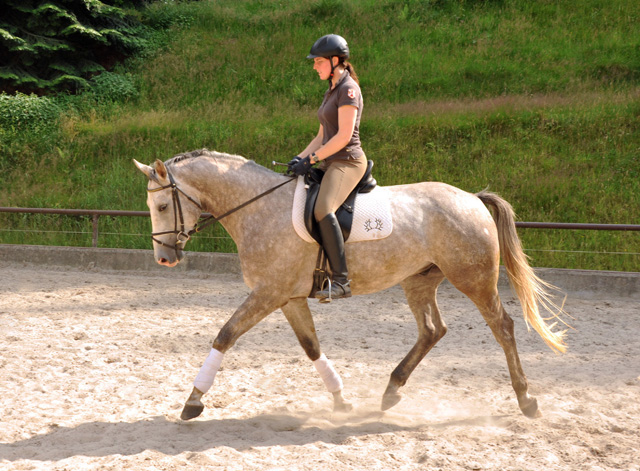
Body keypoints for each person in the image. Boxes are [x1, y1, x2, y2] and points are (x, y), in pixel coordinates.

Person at [287, 34, 368, 302]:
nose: (314, 67)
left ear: (335, 61)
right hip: (331, 159)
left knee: (323, 209)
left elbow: (343, 136)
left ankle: (342, 280)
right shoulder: (332, 88)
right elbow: (322, 136)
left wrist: (313, 160)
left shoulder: (348, 89)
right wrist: (300, 158)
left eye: (318, 62)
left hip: (348, 161)